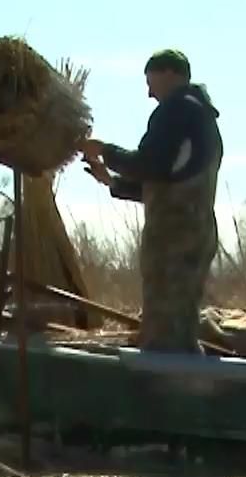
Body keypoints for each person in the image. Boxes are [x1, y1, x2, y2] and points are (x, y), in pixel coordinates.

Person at [78, 49, 223, 354]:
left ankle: (168, 390)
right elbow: (166, 176)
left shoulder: (177, 110)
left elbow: (149, 164)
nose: (148, 93)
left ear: (170, 74)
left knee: (165, 328)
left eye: (151, 81)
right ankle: (183, 380)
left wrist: (105, 149)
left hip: (173, 238)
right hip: (196, 233)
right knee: (180, 320)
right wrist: (113, 182)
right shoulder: (203, 116)